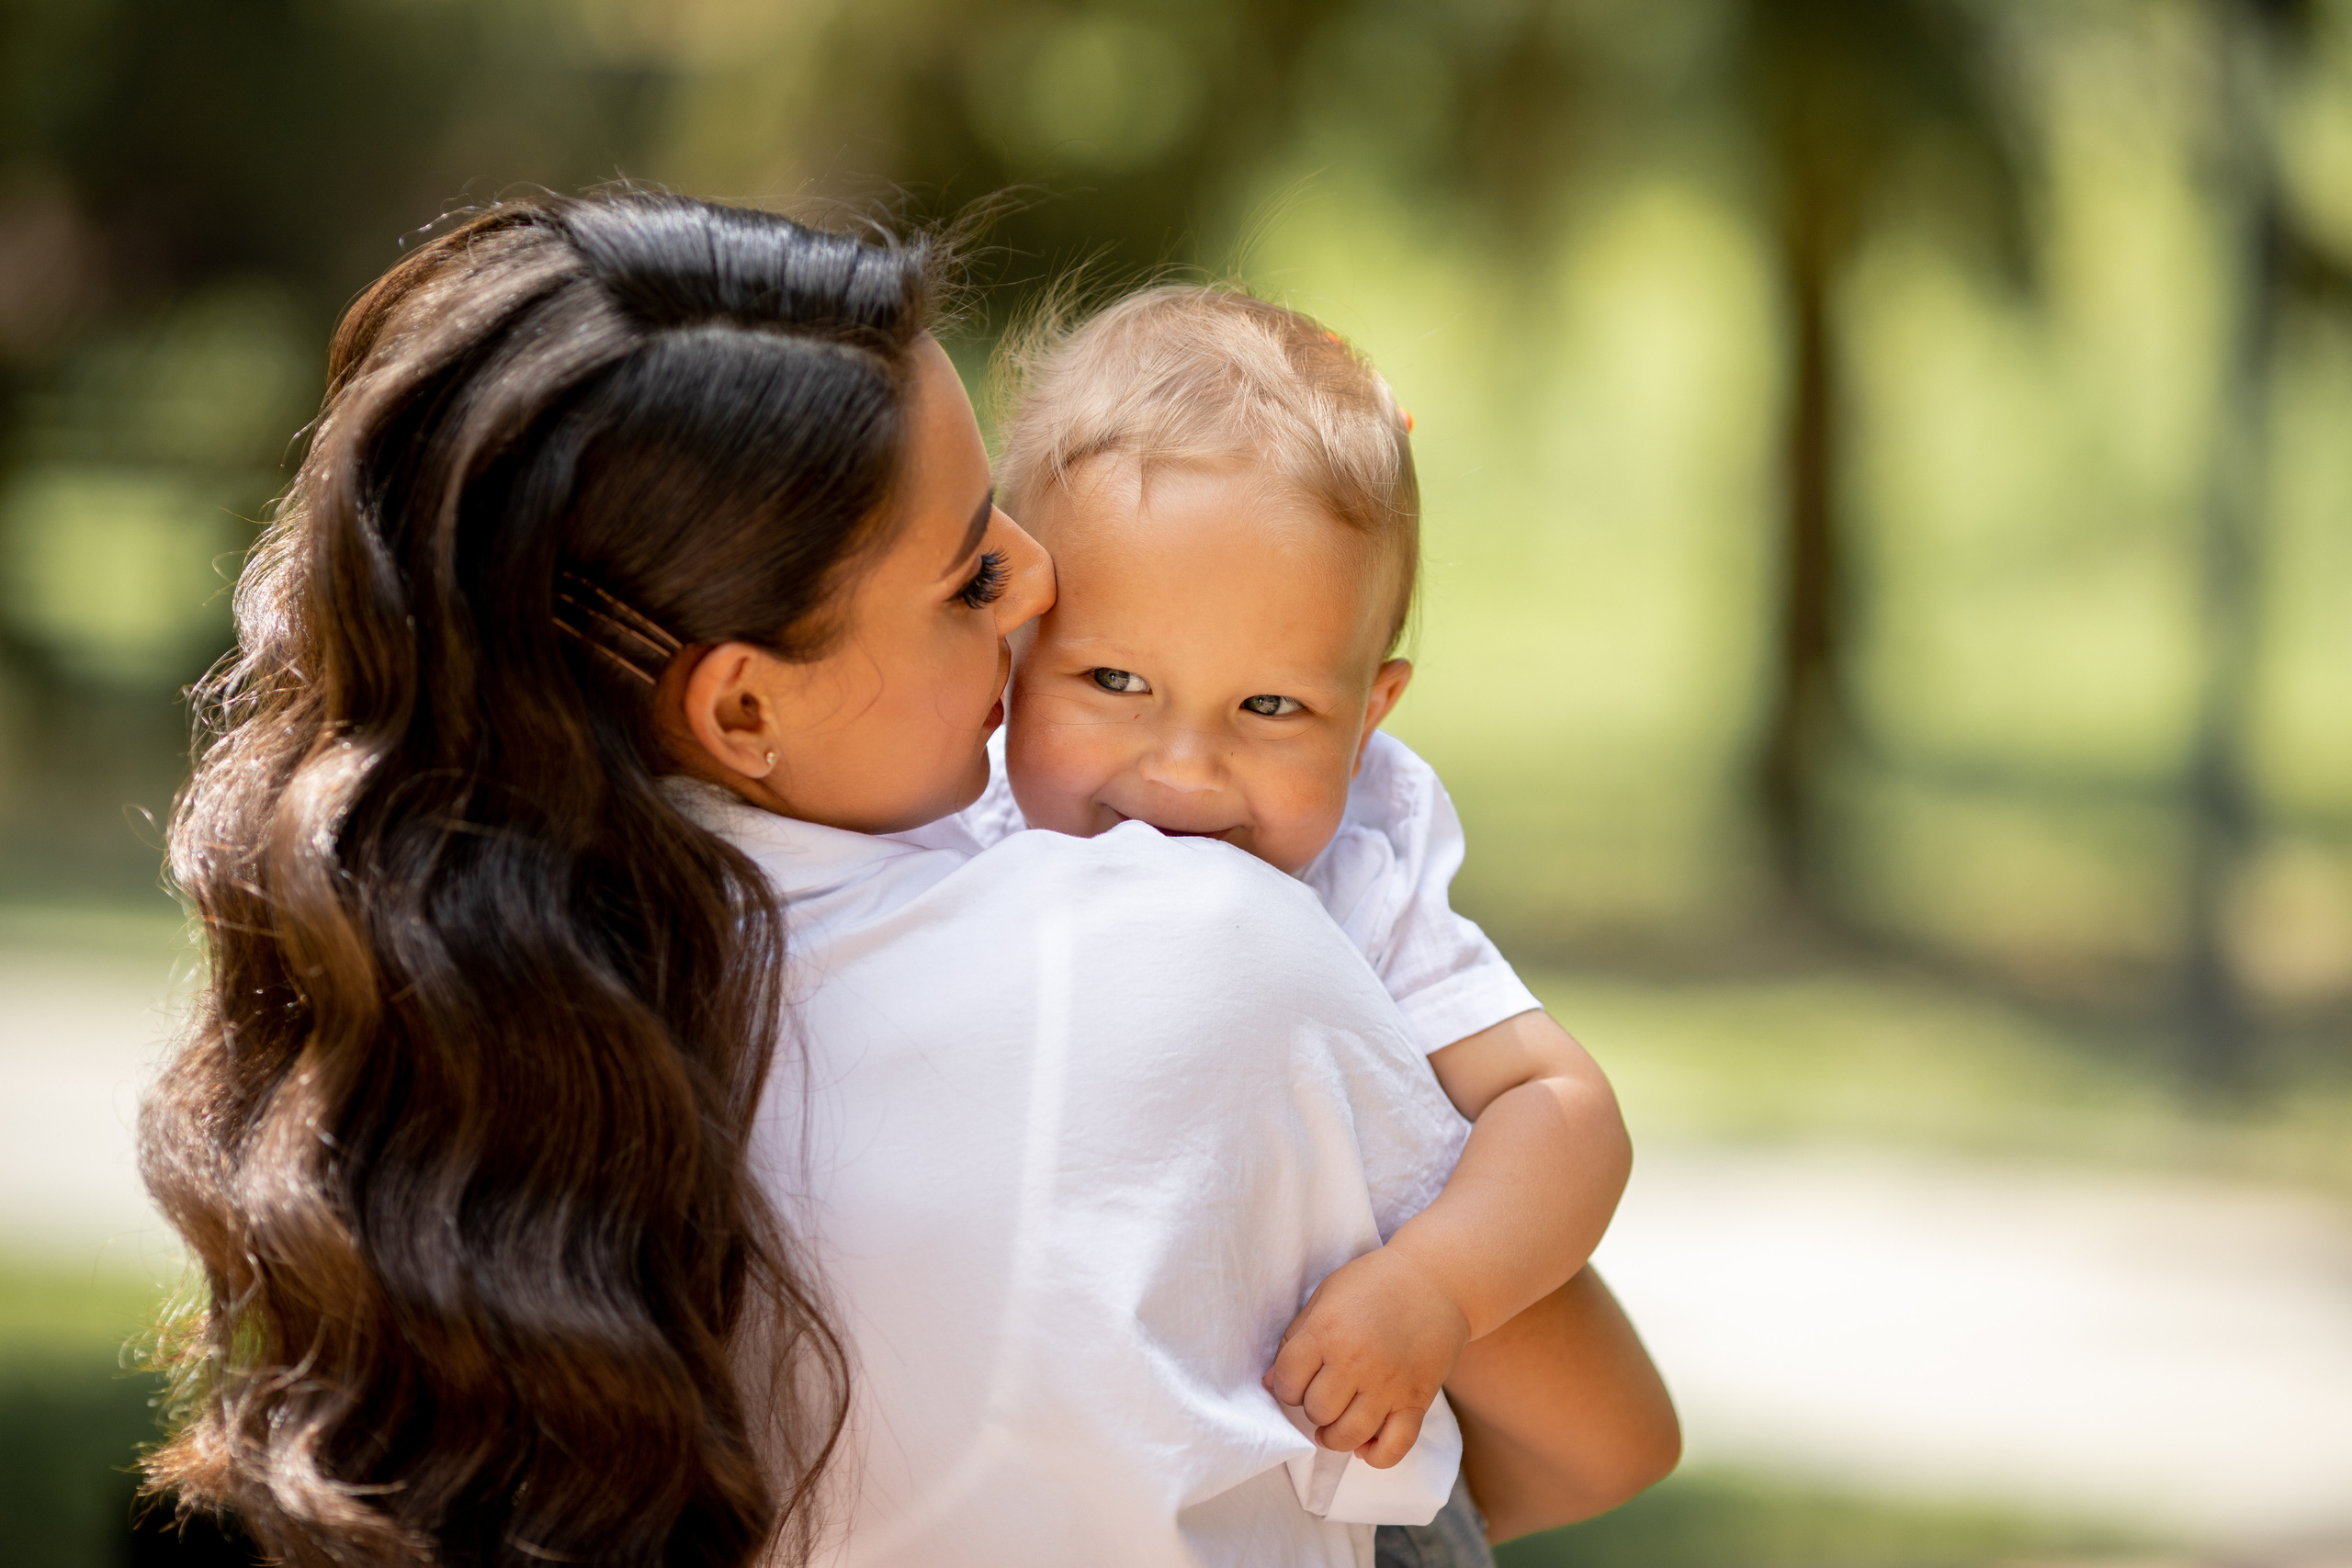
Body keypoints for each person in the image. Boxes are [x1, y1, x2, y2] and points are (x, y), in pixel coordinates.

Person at [140, 191, 1677, 1568]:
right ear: (743, 704)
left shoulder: (485, 1045)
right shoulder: (1200, 947)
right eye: (969, 576)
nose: (1037, 583)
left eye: (1270, 703)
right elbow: (1607, 1438)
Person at [945, 285, 1636, 1562]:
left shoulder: (1358, 865)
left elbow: (1563, 1109)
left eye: (1271, 709)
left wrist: (1436, 1286)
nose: (1183, 774)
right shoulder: (945, 813)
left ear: (1371, 714)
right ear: (1007, 652)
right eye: (1114, 682)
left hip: (1333, 1479)